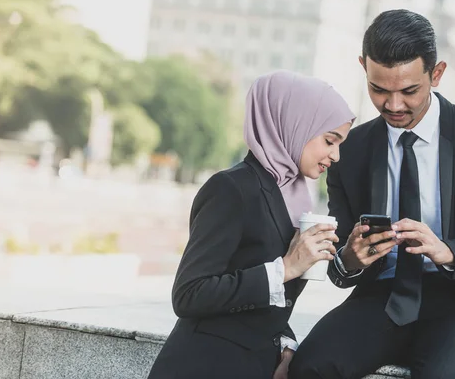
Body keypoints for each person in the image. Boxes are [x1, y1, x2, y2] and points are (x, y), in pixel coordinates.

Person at [289, 9, 455, 379]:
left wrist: (449, 250)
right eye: (379, 89)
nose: (394, 105)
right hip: (381, 301)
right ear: (364, 67)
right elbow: (339, 269)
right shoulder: (350, 149)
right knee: (308, 368)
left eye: (409, 91)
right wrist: (352, 257)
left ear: (436, 74)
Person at [147, 70, 355, 379]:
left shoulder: (294, 197)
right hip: (202, 366)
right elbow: (189, 293)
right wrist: (285, 268)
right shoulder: (231, 188)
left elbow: (269, 302)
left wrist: (285, 345)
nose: (336, 155)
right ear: (295, 124)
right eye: (329, 140)